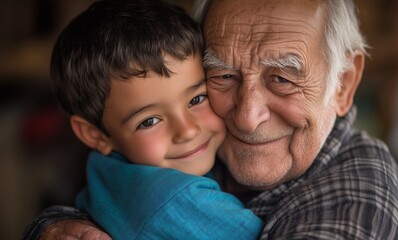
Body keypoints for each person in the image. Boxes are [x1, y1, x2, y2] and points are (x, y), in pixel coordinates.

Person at [24, 0, 398, 239]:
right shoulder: (191, 154)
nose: (247, 118)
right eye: (224, 76)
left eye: (282, 79)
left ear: (343, 85)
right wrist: (52, 226)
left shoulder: (356, 201)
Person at [24, 0, 263, 239]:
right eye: (149, 121)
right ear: (95, 135)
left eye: (197, 99)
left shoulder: (105, 169)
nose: (187, 130)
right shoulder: (180, 199)